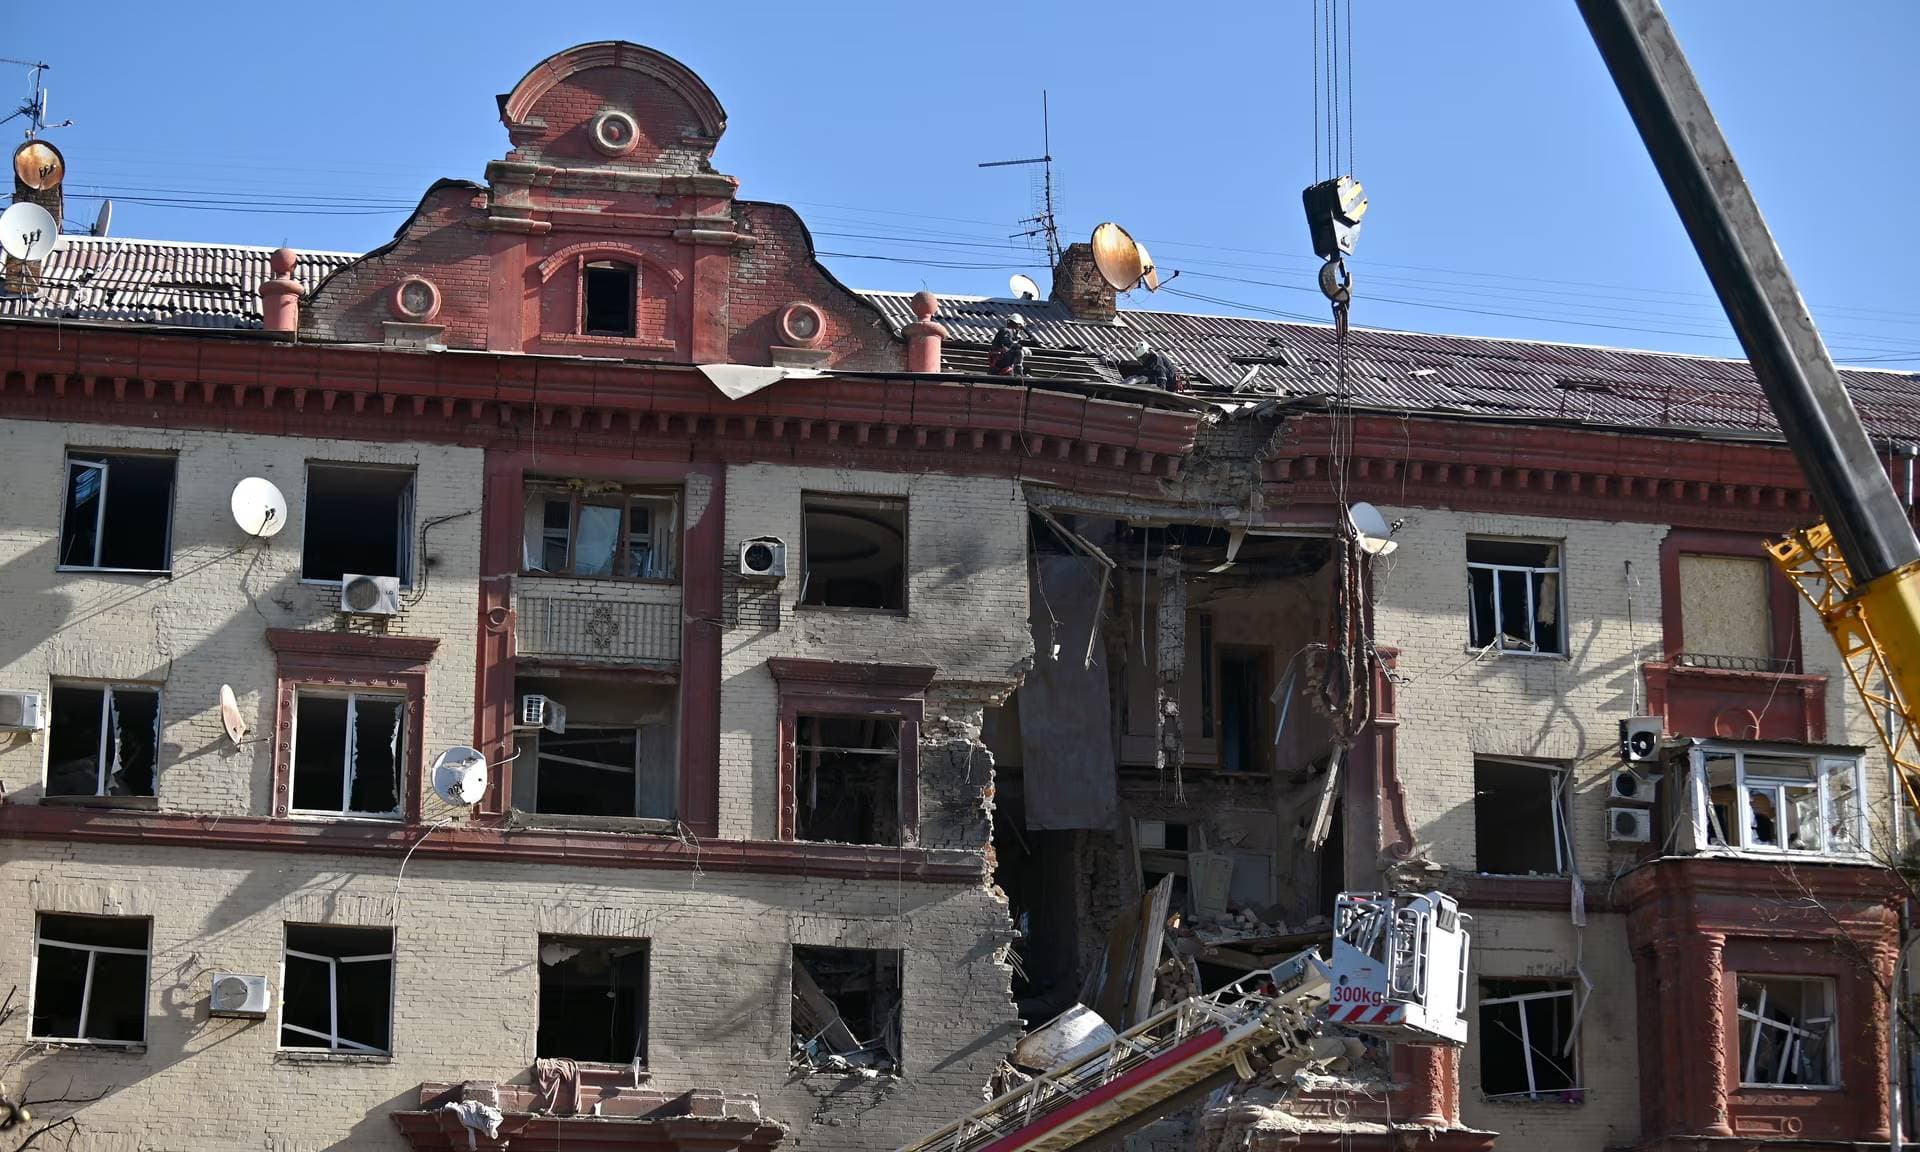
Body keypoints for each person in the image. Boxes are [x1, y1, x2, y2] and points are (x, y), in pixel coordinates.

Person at [1116, 340, 1182, 393]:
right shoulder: (1147, 363)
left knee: (1158, 370)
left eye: (1142, 357)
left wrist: (1162, 390)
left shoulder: (1156, 359)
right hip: (1161, 381)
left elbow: (1161, 372)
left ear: (1147, 353)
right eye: (1140, 358)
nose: (1141, 360)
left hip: (1170, 383)